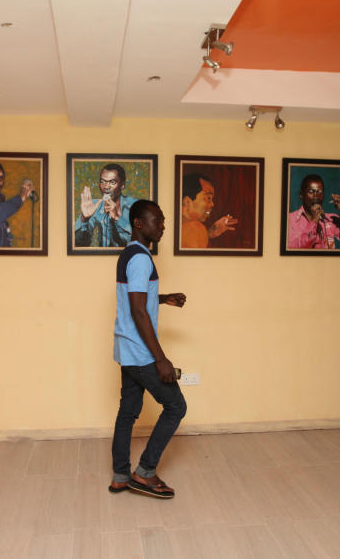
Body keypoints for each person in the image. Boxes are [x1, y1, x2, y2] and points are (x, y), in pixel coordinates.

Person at [110, 200, 187, 499]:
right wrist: (161, 359)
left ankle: (120, 475)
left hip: (125, 347)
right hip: (141, 352)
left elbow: (137, 299)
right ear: (138, 224)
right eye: (157, 220)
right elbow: (139, 311)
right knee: (176, 407)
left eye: (163, 220)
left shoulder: (129, 253)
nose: (162, 225)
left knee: (127, 412)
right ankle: (145, 473)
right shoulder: (141, 259)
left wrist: (163, 297)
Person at [287, 174, 340, 249]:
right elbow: (293, 250)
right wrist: (314, 221)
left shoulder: (331, 220)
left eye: (320, 191)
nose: (316, 195)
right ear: (301, 195)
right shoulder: (290, 219)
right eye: (311, 191)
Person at [74, 163, 137, 247]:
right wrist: (84, 219)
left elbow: (134, 242)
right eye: (103, 182)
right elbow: (80, 243)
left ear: (122, 185)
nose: (106, 187)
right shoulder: (94, 205)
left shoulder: (134, 206)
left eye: (112, 182)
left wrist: (116, 218)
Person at [179, 172, 238, 248]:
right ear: (187, 201)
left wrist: (209, 234)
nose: (212, 204)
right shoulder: (196, 228)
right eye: (208, 198)